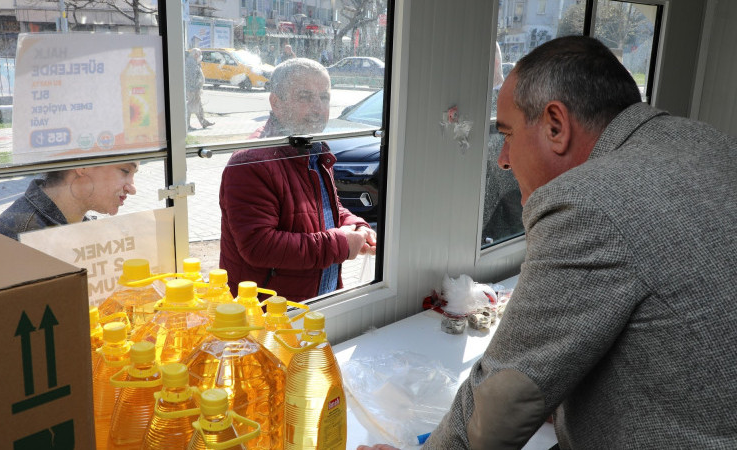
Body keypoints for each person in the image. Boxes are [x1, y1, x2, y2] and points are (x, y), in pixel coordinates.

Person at [360, 36, 737, 450]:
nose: (503, 158)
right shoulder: (709, 143)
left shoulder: (589, 200)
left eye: (507, 134)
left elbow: (501, 404)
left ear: (556, 125)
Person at [219, 58, 376, 301]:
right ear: (276, 103)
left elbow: (325, 207)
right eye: (305, 97)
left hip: (316, 299)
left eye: (324, 98)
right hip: (271, 314)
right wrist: (340, 244)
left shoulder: (313, 148)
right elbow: (259, 245)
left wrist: (356, 224)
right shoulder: (250, 161)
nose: (317, 108)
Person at [0, 163, 138, 240]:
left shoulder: (43, 226)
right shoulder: (25, 236)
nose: (132, 189)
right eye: (125, 171)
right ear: (84, 165)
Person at [185, 48, 214, 130]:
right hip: (193, 89)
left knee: (199, 106)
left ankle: (203, 122)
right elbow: (191, 78)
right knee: (190, 107)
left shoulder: (194, 62)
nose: (201, 56)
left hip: (194, 89)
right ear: (195, 54)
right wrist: (195, 89)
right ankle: (187, 125)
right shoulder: (191, 63)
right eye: (199, 54)